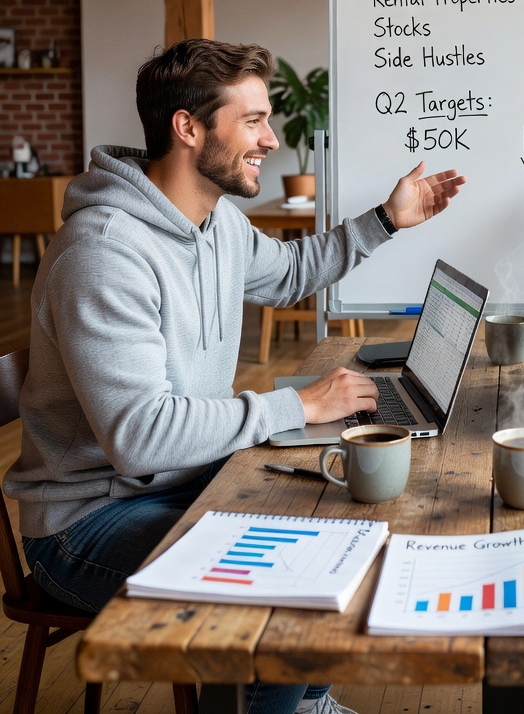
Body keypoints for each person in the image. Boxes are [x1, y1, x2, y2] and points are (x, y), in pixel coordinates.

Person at [4, 38, 465, 714]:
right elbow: (139, 436)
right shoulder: (104, 254)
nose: (272, 139)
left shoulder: (213, 222)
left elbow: (290, 273)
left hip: (180, 482)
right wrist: (297, 405)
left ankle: (304, 699)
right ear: (187, 128)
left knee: (331, 523)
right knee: (281, 582)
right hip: (87, 522)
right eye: (252, 121)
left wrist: (386, 221)